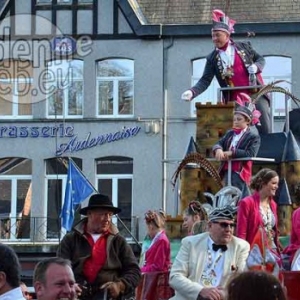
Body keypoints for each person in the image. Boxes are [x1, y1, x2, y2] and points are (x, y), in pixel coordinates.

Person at [181, 9, 271, 134]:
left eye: (217, 35)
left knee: (265, 128)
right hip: (234, 98)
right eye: (213, 35)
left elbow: (260, 59)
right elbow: (205, 80)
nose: (214, 39)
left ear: (227, 36)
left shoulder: (244, 47)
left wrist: (256, 67)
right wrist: (192, 92)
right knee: (235, 132)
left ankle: (269, 151)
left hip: (255, 94)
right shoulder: (212, 58)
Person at [57, 193, 141, 300]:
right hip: (77, 295)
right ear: (89, 214)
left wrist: (120, 285)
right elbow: (60, 268)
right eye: (103, 214)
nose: (107, 219)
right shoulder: (70, 240)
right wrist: (71, 285)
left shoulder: (118, 241)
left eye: (110, 215)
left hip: (108, 296)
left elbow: (134, 271)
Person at [169, 205, 250, 300]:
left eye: (232, 225)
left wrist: (224, 293)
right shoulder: (190, 243)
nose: (229, 229)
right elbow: (175, 277)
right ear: (210, 226)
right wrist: (200, 291)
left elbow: (241, 281)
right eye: (224, 225)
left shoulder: (240, 246)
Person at [212, 93, 261, 197]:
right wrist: (218, 149)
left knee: (241, 197)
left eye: (239, 119)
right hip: (226, 171)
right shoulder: (230, 133)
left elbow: (250, 153)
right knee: (226, 196)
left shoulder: (253, 137)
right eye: (234, 120)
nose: (235, 122)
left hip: (240, 173)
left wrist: (231, 153)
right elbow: (219, 143)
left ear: (247, 121)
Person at [236, 168, 282, 256]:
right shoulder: (246, 203)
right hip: (254, 252)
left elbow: (273, 228)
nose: (277, 186)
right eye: (273, 183)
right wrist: (242, 255)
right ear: (263, 183)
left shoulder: (273, 204)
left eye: (277, 184)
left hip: (272, 251)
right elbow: (241, 233)